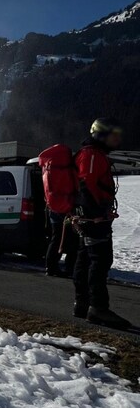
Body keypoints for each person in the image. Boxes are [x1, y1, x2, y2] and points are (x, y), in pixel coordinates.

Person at [72, 118, 131, 329]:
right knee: (100, 260)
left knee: (85, 258)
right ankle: (98, 308)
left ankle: (83, 303)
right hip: (94, 219)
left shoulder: (90, 154)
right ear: (101, 135)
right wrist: (96, 213)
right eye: (112, 136)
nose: (116, 140)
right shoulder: (91, 155)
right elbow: (86, 183)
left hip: (87, 218)